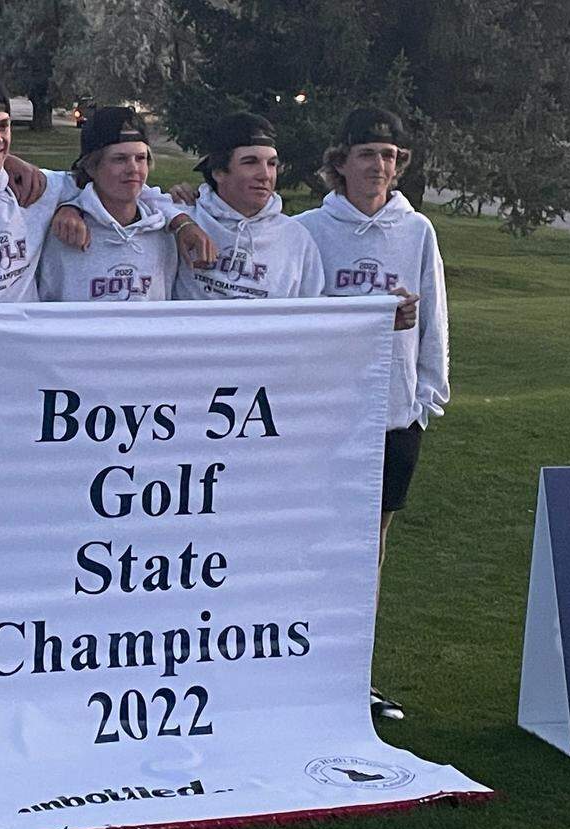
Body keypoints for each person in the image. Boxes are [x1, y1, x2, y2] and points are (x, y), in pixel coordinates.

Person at [0, 76, 213, 646]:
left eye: (3, 128)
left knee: (21, 543)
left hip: (28, 409)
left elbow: (121, 189)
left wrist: (170, 214)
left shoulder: (40, 195)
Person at [294, 107, 448, 720]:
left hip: (393, 415)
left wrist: (426, 397)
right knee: (311, 543)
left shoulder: (417, 231)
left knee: (371, 550)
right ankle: (297, 664)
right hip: (326, 415)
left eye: (389, 156)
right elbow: (299, 319)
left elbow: (433, 314)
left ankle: (355, 674)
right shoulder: (309, 228)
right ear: (341, 163)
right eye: (367, 154)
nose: (379, 166)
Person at [170, 112, 325, 301]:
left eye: (272, 164)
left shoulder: (297, 238)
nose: (265, 175)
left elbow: (312, 314)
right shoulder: (182, 223)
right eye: (250, 162)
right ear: (219, 172)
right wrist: (176, 216)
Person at [37, 106, 178, 302]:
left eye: (141, 158)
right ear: (91, 167)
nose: (133, 169)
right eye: (119, 159)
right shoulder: (63, 232)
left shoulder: (164, 233)